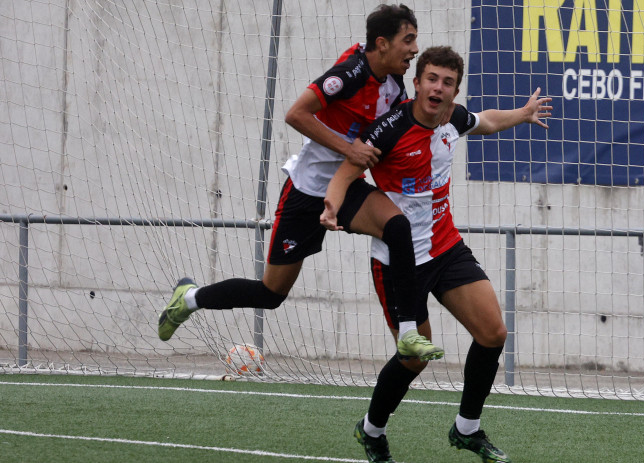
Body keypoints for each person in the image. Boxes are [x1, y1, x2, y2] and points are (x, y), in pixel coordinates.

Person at [157, 4, 444, 361]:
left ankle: (407, 332)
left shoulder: (394, 84)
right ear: (382, 43)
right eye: (409, 39)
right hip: (306, 193)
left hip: (348, 188)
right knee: (271, 294)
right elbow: (295, 114)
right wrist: (349, 149)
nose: (415, 49)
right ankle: (188, 298)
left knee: (397, 227)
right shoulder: (349, 73)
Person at [320, 46, 552, 463]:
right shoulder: (388, 129)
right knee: (413, 356)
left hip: (446, 248)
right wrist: (332, 205)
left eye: (447, 82)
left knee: (493, 333)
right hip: (398, 261)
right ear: (416, 83)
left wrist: (523, 112)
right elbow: (347, 170)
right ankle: (371, 430)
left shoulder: (452, 119)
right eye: (431, 78)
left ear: (453, 90)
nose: (438, 88)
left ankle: (467, 429)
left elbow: (486, 121)